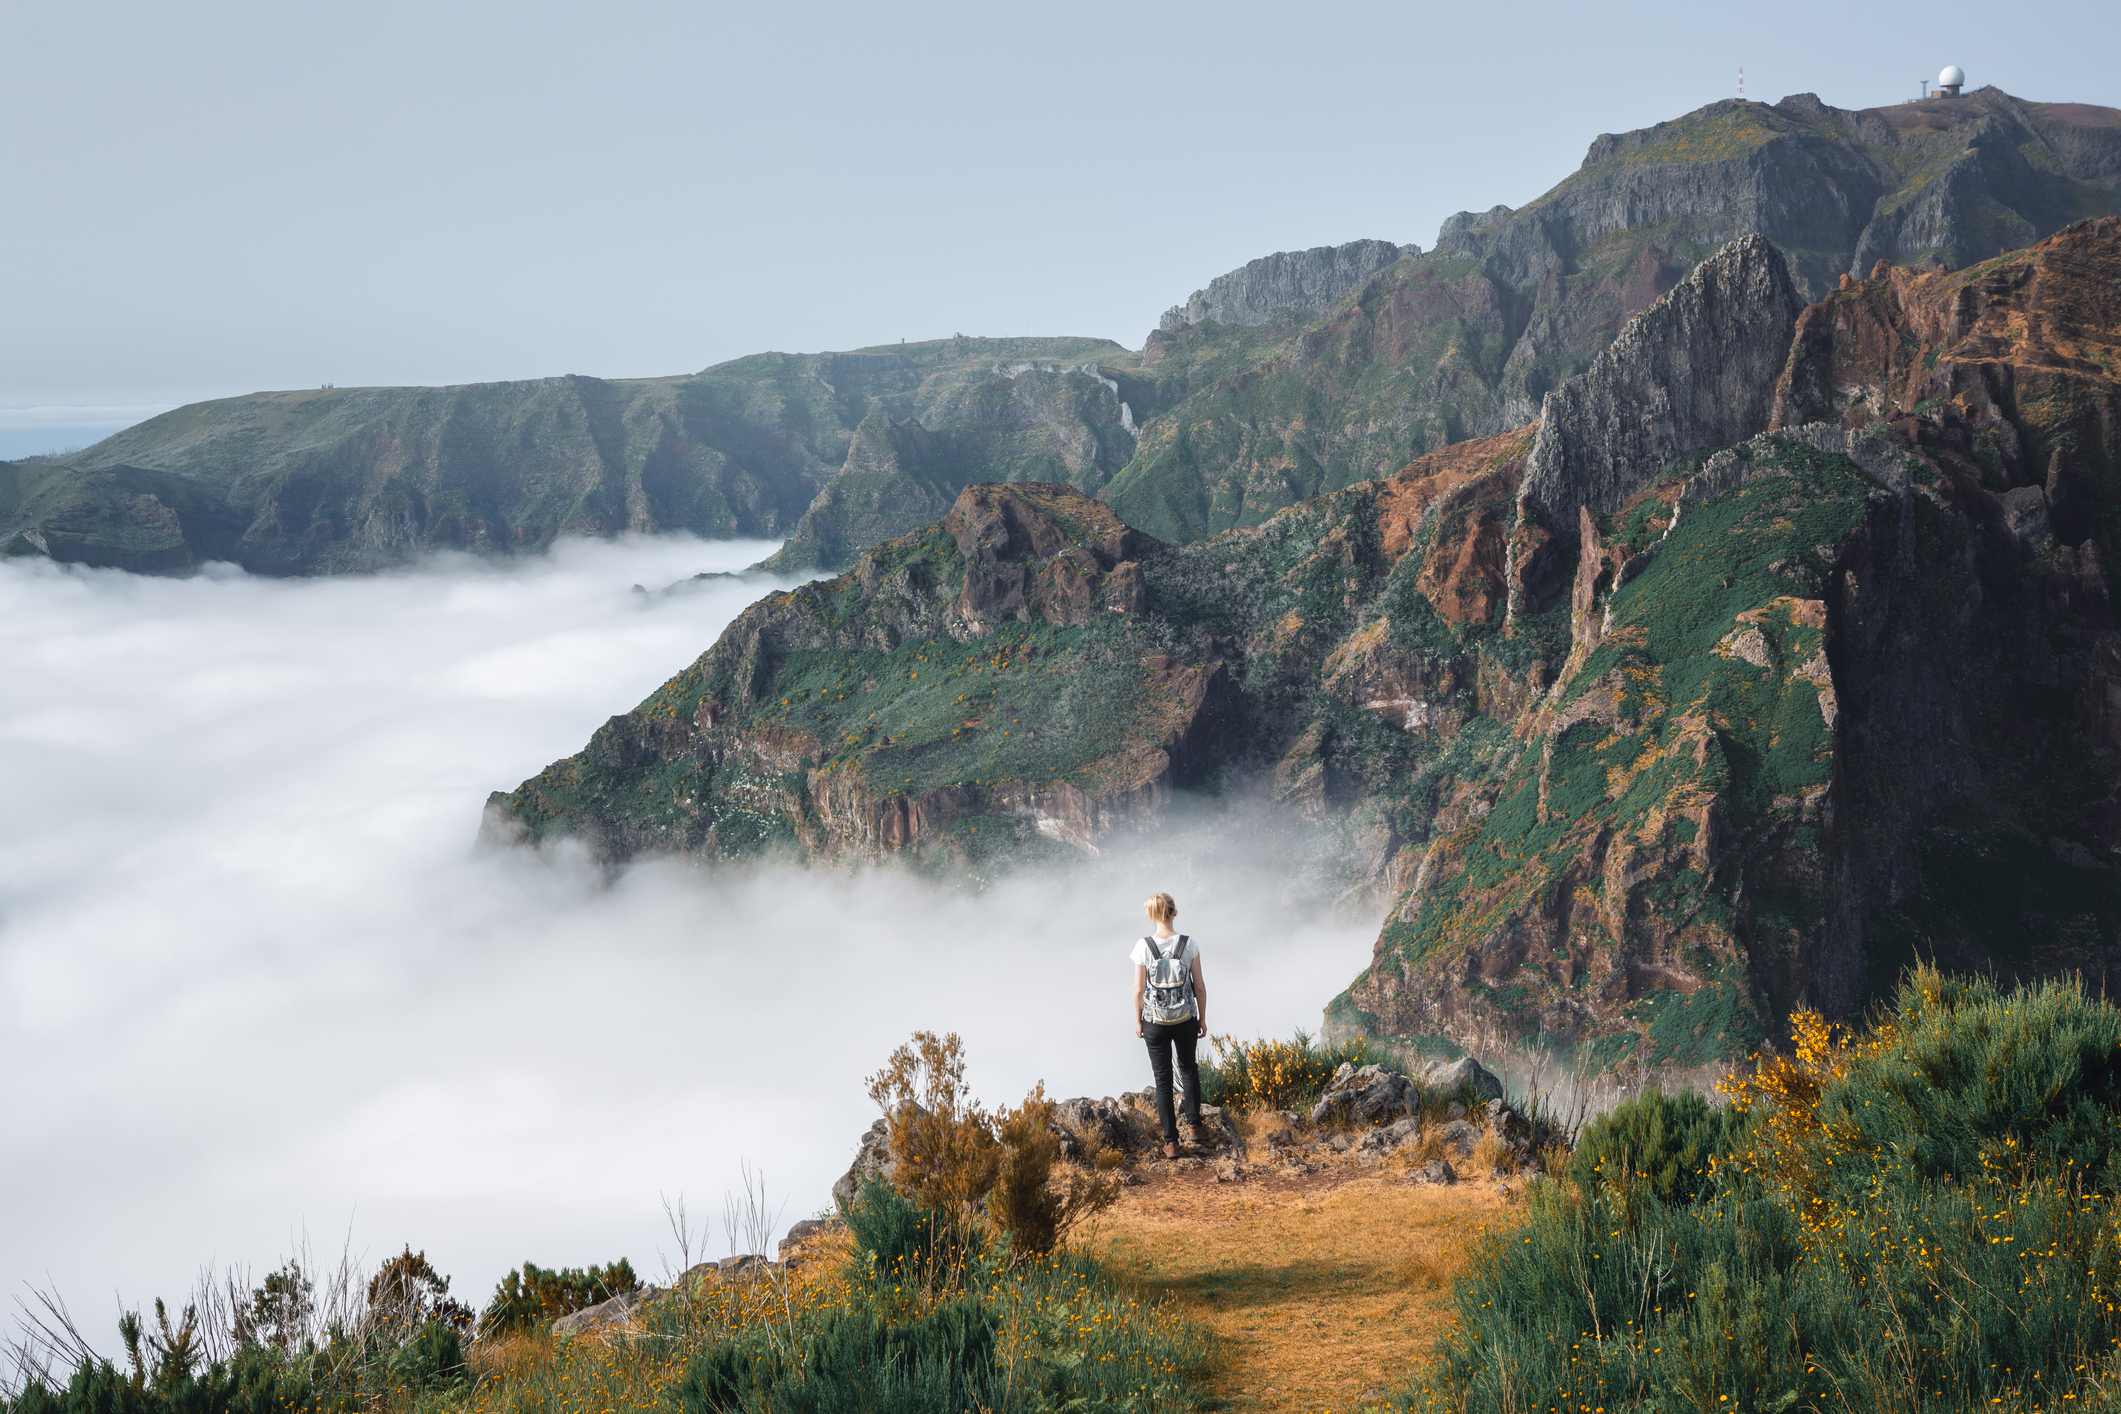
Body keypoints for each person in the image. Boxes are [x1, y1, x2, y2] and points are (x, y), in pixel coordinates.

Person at [1131, 892, 1207, 1159]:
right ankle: (1195, 1126)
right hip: (1185, 1018)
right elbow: (1198, 986)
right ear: (1174, 913)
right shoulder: (1189, 944)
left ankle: (1171, 1142)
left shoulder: (1143, 946)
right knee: (1188, 1069)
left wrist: (1138, 1020)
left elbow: (1139, 989)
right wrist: (1202, 1018)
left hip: (1155, 1022)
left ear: (1152, 915)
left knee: (1162, 1079)